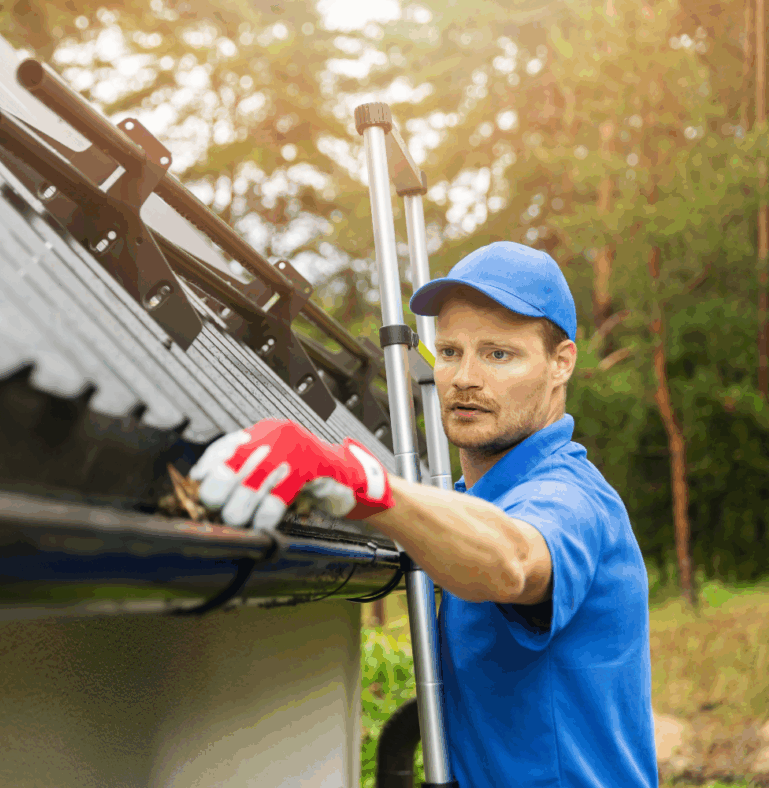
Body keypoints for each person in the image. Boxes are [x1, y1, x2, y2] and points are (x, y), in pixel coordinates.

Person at [187, 242, 659, 788]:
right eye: (451, 352)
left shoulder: (572, 498)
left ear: (562, 363)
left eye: (499, 354)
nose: (464, 378)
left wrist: (361, 483)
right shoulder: (469, 501)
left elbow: (512, 560)